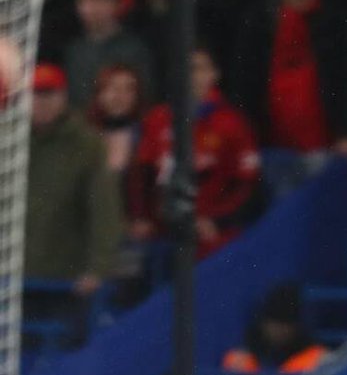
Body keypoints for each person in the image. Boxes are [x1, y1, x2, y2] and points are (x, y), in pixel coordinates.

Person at [231, 0, 347, 178]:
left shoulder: (340, 19)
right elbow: (244, 81)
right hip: (270, 150)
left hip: (328, 149)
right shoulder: (259, 19)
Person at [128, 46, 262, 259]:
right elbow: (142, 175)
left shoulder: (232, 123)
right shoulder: (157, 119)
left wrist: (216, 220)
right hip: (164, 237)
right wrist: (141, 217)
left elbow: (248, 185)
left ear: (214, 74)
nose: (191, 76)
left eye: (198, 68)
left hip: (215, 236)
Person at [25, 63, 122, 344]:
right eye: (36, 94)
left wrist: (98, 266)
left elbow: (104, 210)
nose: (41, 102)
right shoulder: (12, 140)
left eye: (48, 94)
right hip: (17, 275)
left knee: (63, 354)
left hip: (65, 279)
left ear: (63, 97)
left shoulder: (87, 144)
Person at [221, 283, 328, 375]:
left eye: (286, 324)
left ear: (295, 326)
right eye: (274, 323)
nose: (279, 330)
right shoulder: (240, 358)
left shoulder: (316, 357)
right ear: (264, 322)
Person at [63, 0, 156, 109]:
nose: (88, 8)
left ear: (116, 3)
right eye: (82, 1)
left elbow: (145, 95)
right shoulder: (73, 49)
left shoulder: (134, 48)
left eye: (97, 0)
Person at [86, 63, 145, 177]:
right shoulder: (85, 136)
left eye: (128, 89)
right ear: (99, 93)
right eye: (112, 87)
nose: (120, 95)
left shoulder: (146, 135)